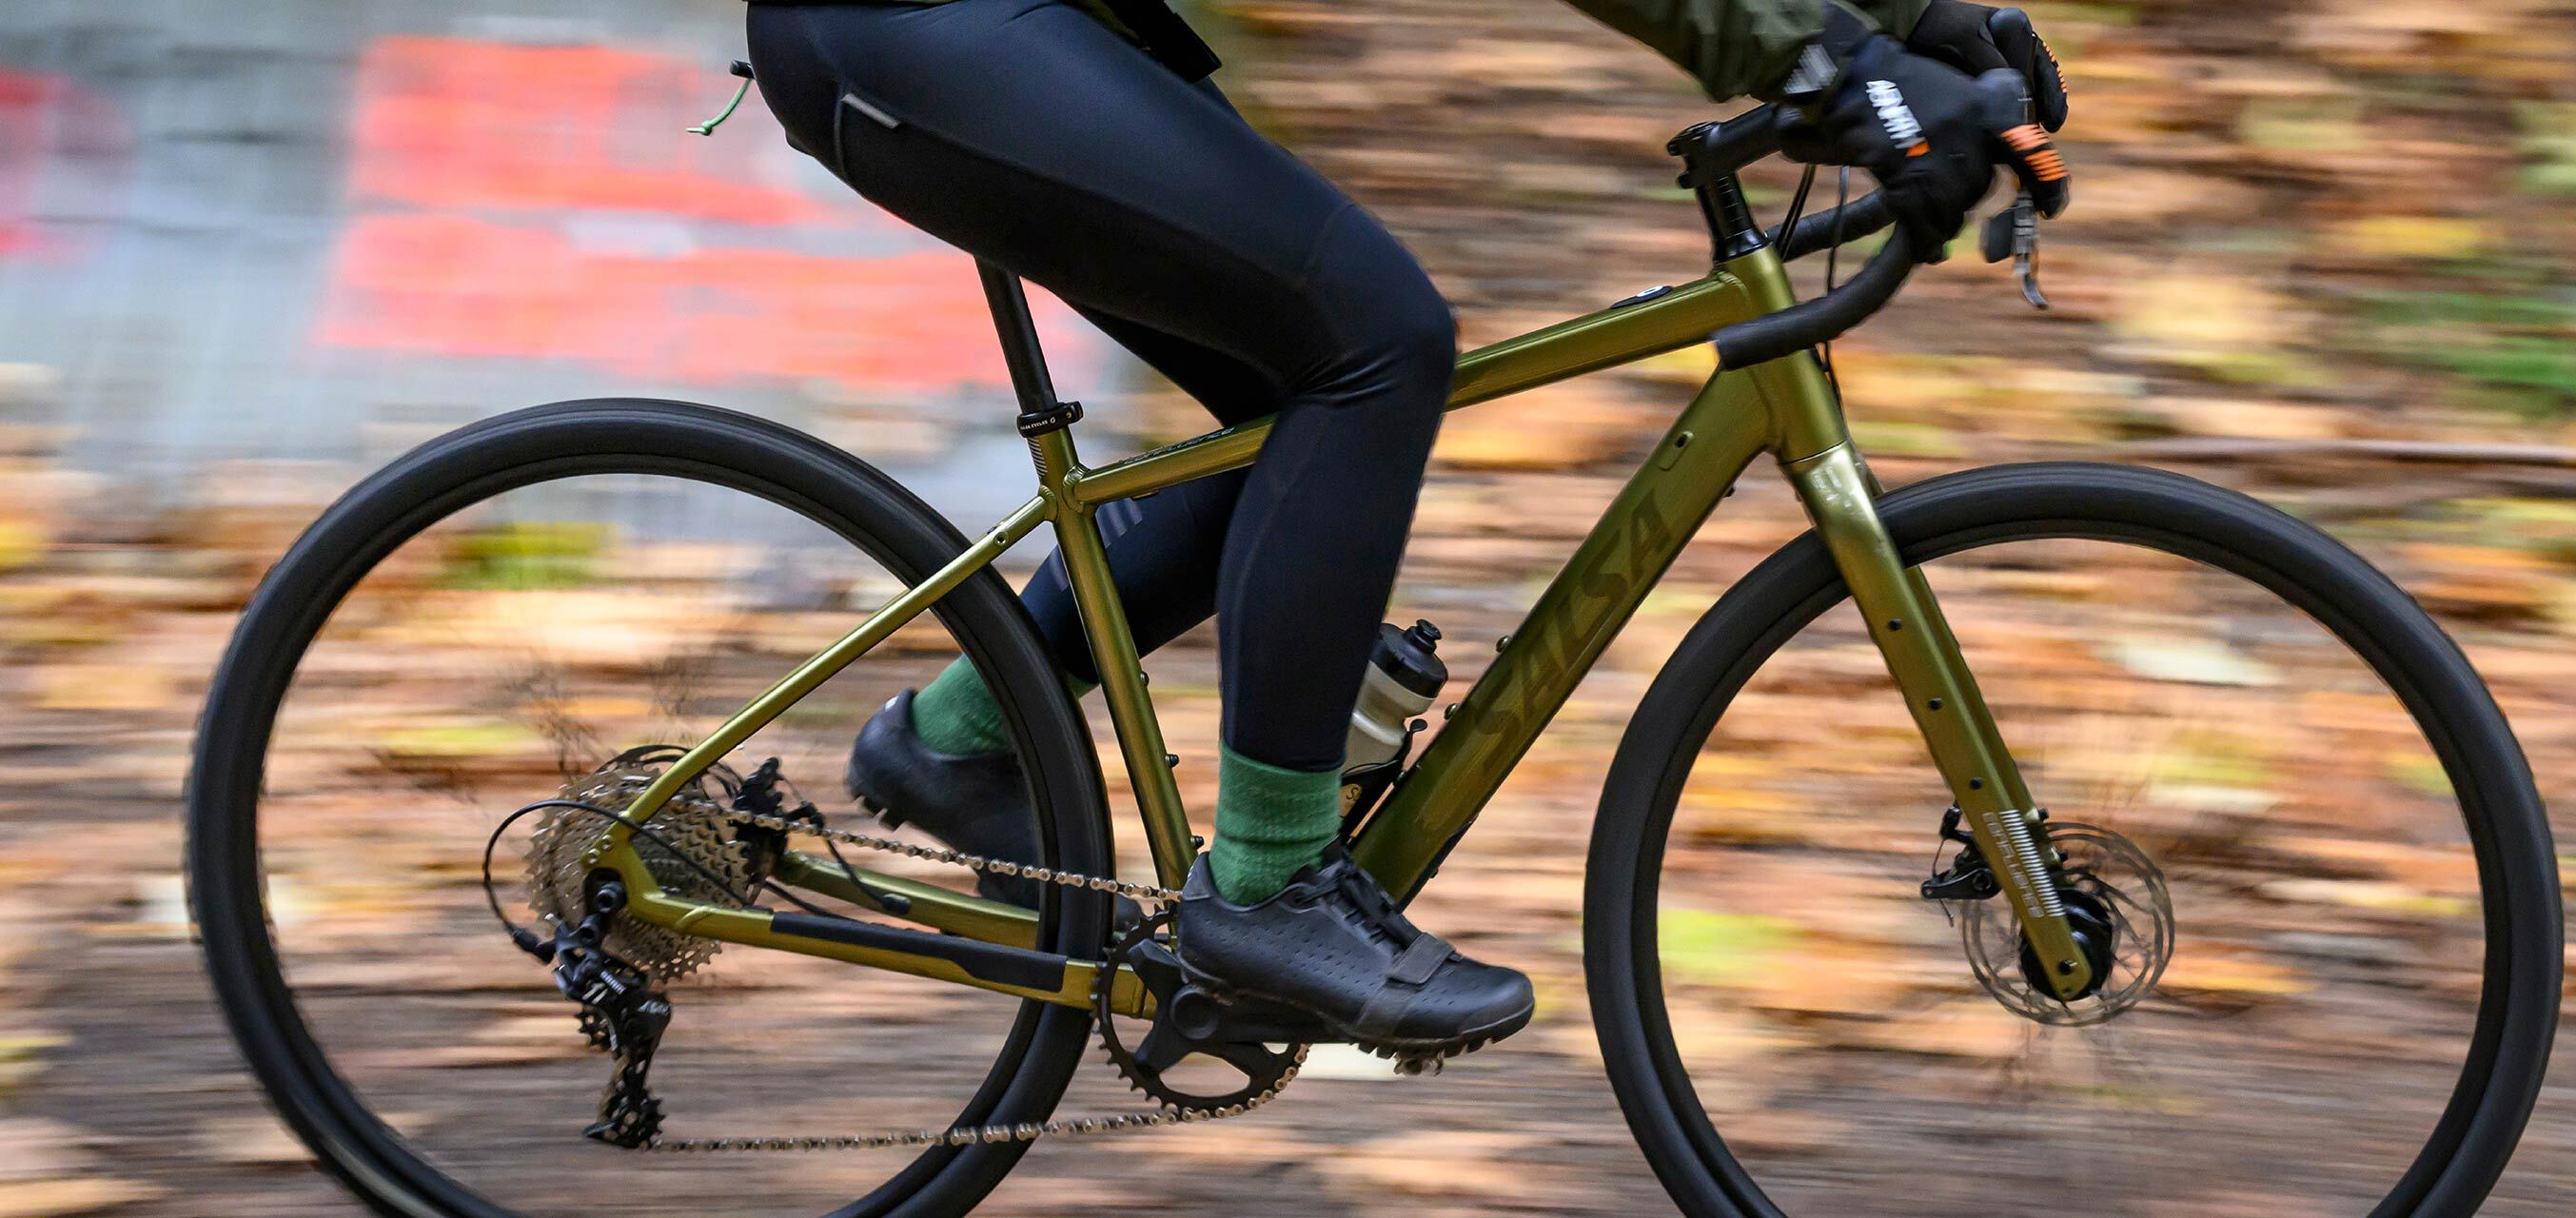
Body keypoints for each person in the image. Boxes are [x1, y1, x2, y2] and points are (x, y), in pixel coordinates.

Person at [740, 0, 2070, 1056]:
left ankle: (963, 747)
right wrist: (1834, 63)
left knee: (1288, 395)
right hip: (911, 24)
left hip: (1016, 23)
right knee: (1374, 343)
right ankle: (1266, 889)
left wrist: (1915, 21)